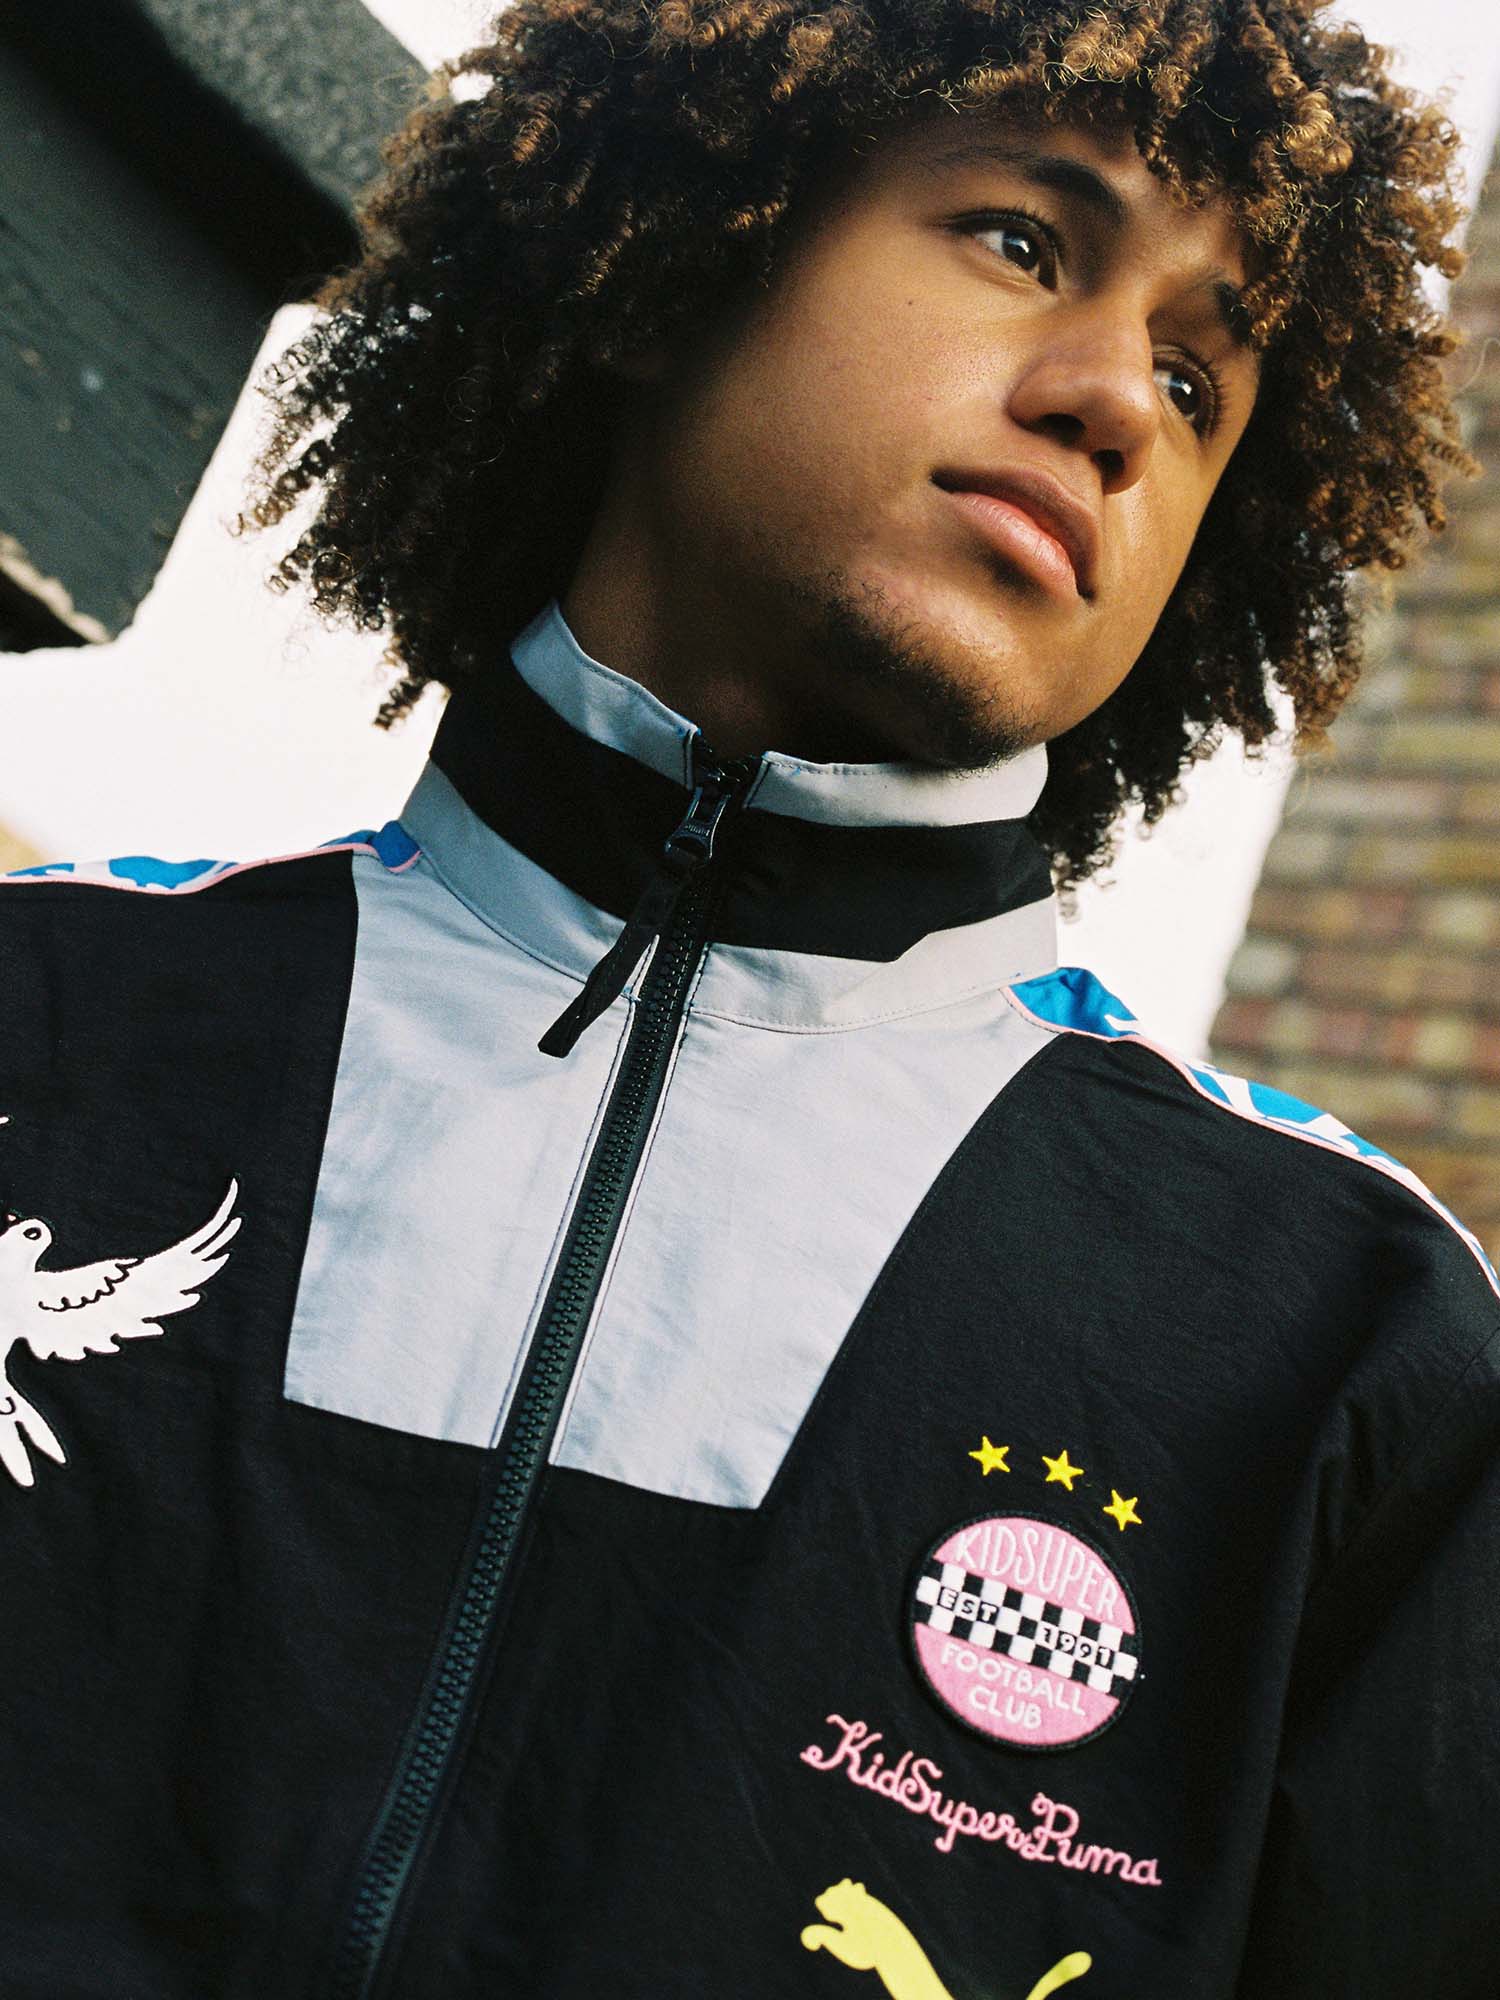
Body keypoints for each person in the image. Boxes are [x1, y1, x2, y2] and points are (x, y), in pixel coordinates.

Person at [2, 0, 1496, 1993]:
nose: (1116, 406)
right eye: (1025, 240)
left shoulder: (1344, 1347)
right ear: (682, 248)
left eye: (1196, 381)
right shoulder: (48, 1021)